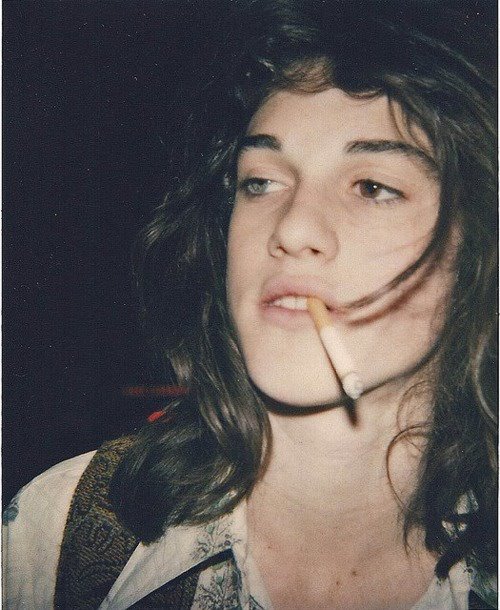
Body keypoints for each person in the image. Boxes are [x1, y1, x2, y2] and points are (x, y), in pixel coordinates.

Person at [3, 1, 497, 608]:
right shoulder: (59, 536)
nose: (292, 227)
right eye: (261, 181)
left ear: (477, 254)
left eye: (372, 187)